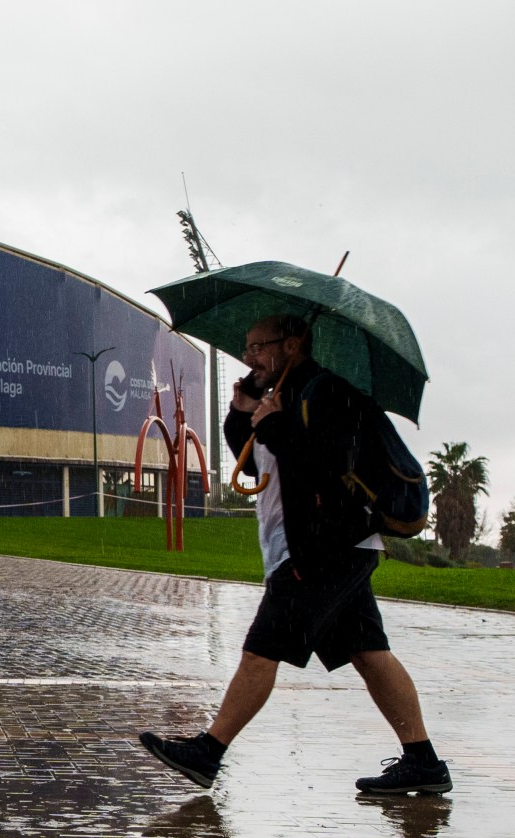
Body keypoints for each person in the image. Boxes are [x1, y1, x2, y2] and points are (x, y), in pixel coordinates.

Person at [139, 315, 451, 796]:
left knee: (262, 647)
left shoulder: (327, 392)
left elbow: (330, 467)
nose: (248, 358)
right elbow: (255, 458)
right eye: (246, 349)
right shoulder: (280, 395)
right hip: (318, 546)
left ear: (291, 344)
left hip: (326, 548)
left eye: (257, 347)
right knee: (369, 653)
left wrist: (278, 424)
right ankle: (423, 761)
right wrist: (243, 414)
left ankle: (209, 751)